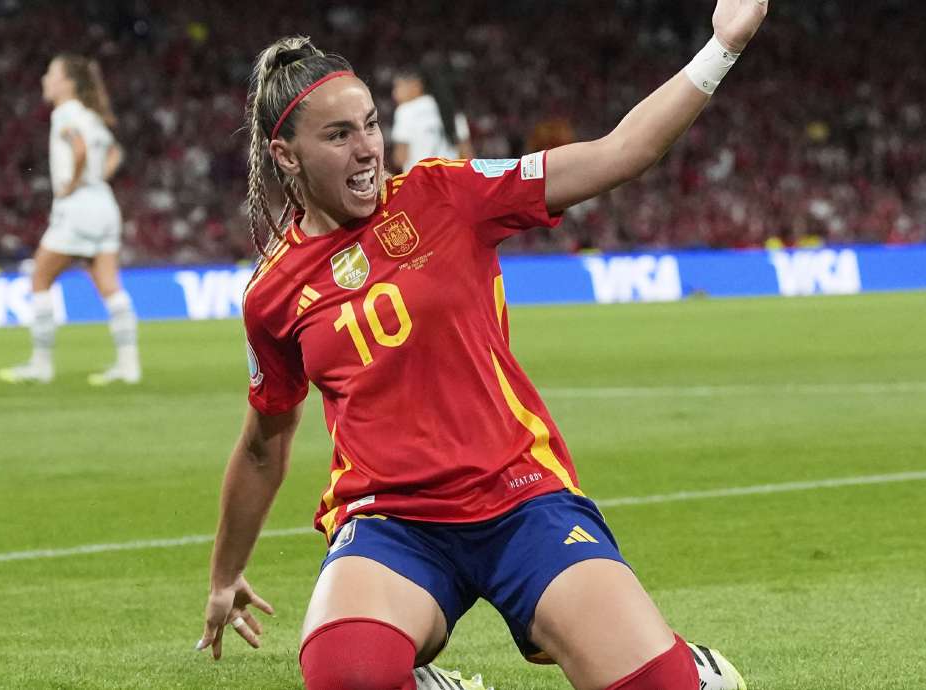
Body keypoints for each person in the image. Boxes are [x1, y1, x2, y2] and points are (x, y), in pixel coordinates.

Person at [199, 1, 767, 688]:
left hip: (521, 499)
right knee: (345, 675)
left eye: (372, 125)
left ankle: (694, 669)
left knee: (657, 685)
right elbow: (265, 442)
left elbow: (621, 153)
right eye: (340, 135)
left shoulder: (447, 194)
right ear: (286, 155)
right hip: (391, 523)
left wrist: (722, 46)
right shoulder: (272, 294)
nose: (367, 149)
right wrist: (224, 577)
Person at [0, 54, 141, 386]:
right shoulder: (92, 116)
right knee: (110, 287)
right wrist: (96, 178)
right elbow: (115, 152)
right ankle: (128, 366)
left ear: (67, 83)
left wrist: (74, 183)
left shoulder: (65, 113)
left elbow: (77, 150)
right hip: (104, 204)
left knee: (40, 277)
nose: (45, 80)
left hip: (78, 206)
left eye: (50, 74)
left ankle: (41, 364)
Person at [390, 63, 474, 172]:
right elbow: (467, 155)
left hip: (421, 182)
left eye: (398, 86)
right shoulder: (450, 109)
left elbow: (400, 158)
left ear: (416, 85)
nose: (394, 93)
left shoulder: (405, 110)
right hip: (450, 180)